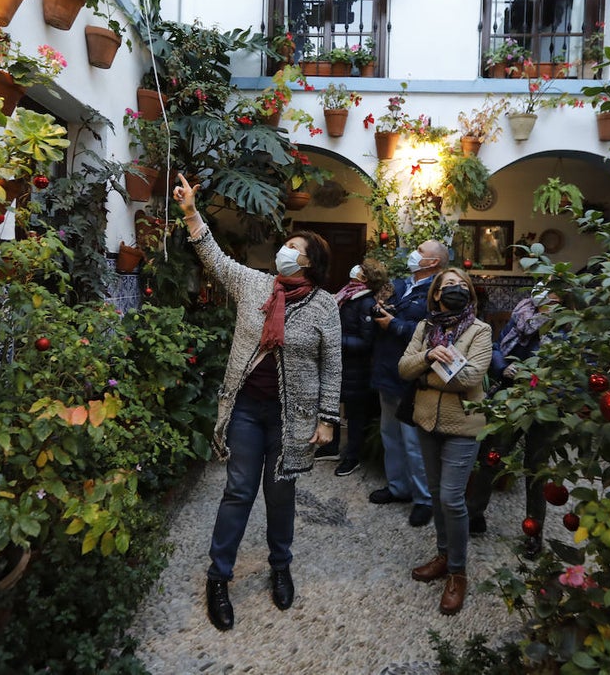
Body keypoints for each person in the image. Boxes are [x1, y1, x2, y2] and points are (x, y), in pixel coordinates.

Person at [172, 174, 342, 632]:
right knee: (239, 491)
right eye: (285, 245)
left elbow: (332, 364)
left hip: (293, 417)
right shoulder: (254, 285)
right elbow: (214, 258)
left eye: (293, 247)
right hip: (246, 409)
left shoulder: (325, 306)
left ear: (310, 262)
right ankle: (218, 577)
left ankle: (280, 566)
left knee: (281, 493)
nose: (284, 250)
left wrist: (328, 419)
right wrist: (191, 213)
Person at [398, 267, 492, 615]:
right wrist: (427, 356)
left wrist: (425, 377)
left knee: (452, 498)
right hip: (427, 422)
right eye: (448, 284)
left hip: (463, 425)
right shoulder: (425, 328)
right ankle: (443, 555)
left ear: (470, 293)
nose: (456, 288)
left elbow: (470, 378)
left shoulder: (480, 330)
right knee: (437, 495)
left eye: (462, 285)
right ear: (436, 294)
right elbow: (403, 367)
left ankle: (457, 572)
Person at [467, 287, 556, 558]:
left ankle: (534, 531)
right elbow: (497, 347)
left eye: (552, 288)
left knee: (536, 469)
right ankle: (474, 514)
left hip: (545, 405)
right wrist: (502, 366)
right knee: (492, 457)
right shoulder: (522, 314)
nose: (544, 290)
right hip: (510, 398)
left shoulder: (566, 326)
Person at [369, 240, 449, 527]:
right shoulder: (401, 285)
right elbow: (382, 308)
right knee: (389, 434)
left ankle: (424, 499)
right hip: (387, 369)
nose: (414, 253)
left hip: (414, 376)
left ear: (433, 262)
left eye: (421, 251)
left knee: (414, 441)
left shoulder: (438, 291)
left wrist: (395, 325)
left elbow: (436, 331)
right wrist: (377, 310)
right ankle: (398, 487)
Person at [319, 258, 388, 476]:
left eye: (362, 269)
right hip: (340, 365)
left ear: (366, 278)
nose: (356, 269)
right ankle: (331, 447)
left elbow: (366, 342)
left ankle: (352, 456)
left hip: (356, 369)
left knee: (355, 415)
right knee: (332, 405)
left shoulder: (365, 303)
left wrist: (335, 340)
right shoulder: (347, 295)